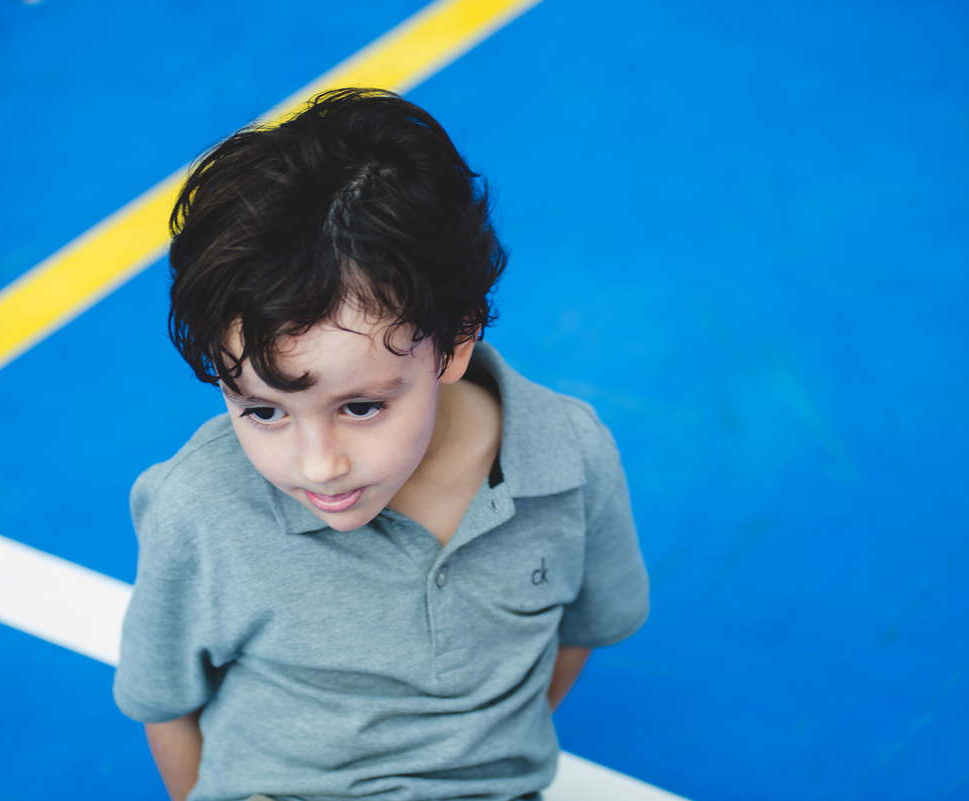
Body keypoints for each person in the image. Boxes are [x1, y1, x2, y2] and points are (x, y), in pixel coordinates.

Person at [113, 88, 650, 801]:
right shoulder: (198, 507)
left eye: (361, 406)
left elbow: (583, 627)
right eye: (264, 411)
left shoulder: (570, 457)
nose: (317, 464)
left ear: (457, 339)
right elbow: (167, 705)